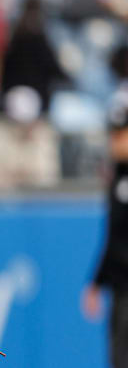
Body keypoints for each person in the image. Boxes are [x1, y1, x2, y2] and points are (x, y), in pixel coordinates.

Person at [82, 45, 128, 368]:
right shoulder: (117, 178)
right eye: (113, 135)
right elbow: (113, 237)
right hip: (123, 290)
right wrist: (98, 282)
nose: (116, 142)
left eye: (122, 134)